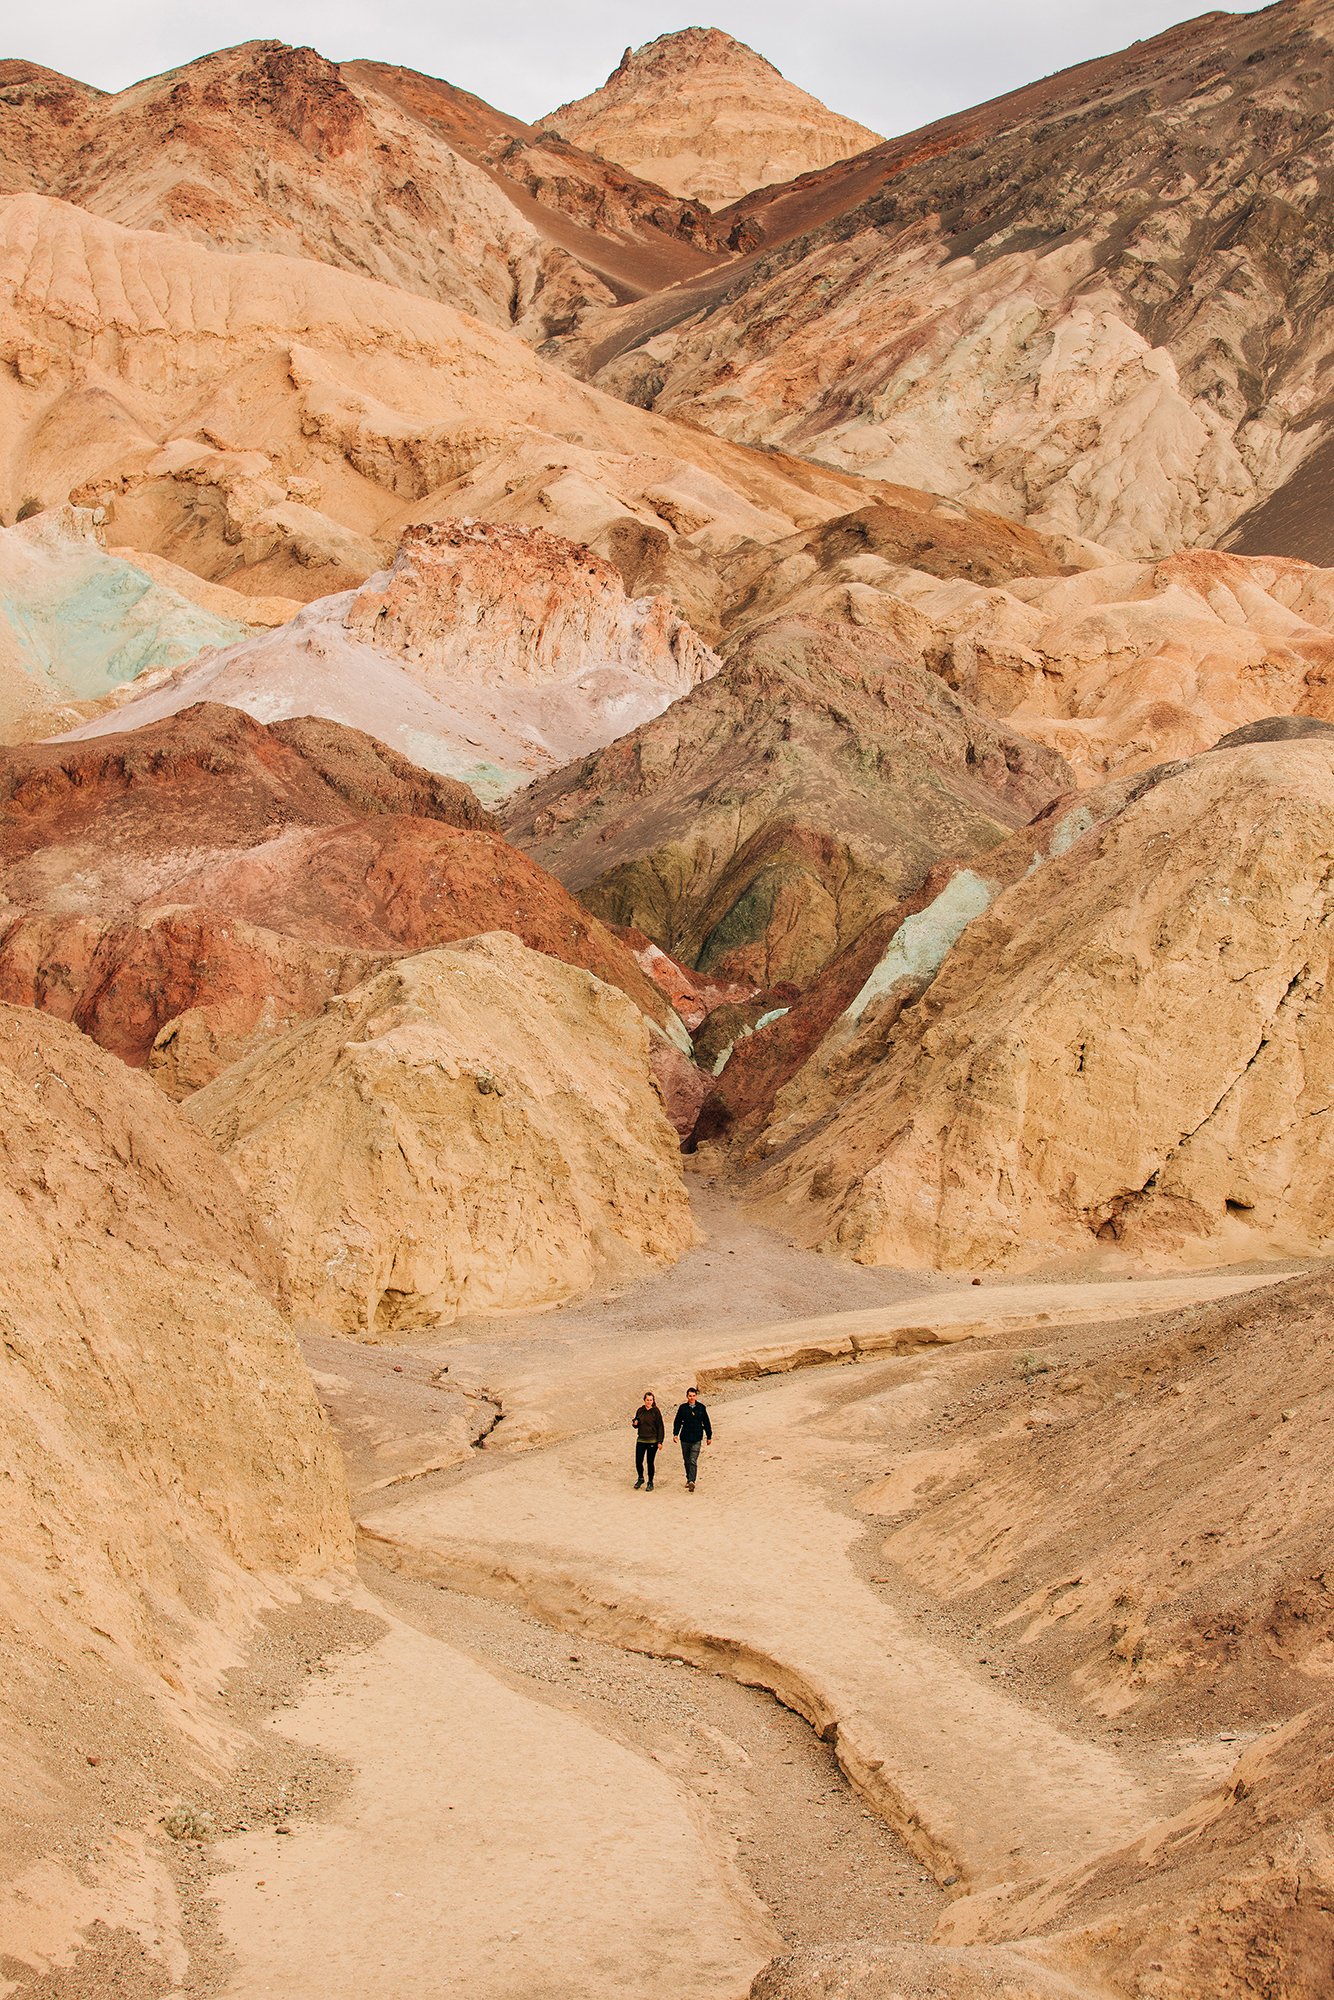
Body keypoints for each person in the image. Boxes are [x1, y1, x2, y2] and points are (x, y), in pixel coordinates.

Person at [672, 1387, 712, 1491]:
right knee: (686, 1460)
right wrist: (675, 1434)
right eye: (690, 1396)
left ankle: (692, 1481)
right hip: (685, 1438)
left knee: (693, 1460)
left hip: (697, 1438)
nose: (692, 1398)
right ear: (687, 1396)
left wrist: (709, 1436)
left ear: (696, 1396)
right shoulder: (682, 1408)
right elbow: (677, 1422)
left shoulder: (701, 1408)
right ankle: (688, 1478)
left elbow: (706, 1422)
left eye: (693, 1396)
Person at [631, 1391, 664, 1489]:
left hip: (652, 1441)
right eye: (647, 1400)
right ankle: (640, 1478)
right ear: (644, 1400)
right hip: (641, 1439)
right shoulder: (640, 1410)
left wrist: (660, 1441)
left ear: (653, 1401)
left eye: (651, 1400)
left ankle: (650, 1482)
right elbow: (636, 1422)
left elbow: (660, 1426)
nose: (649, 1402)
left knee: (650, 1462)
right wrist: (635, 1423)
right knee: (638, 1461)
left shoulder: (656, 1411)